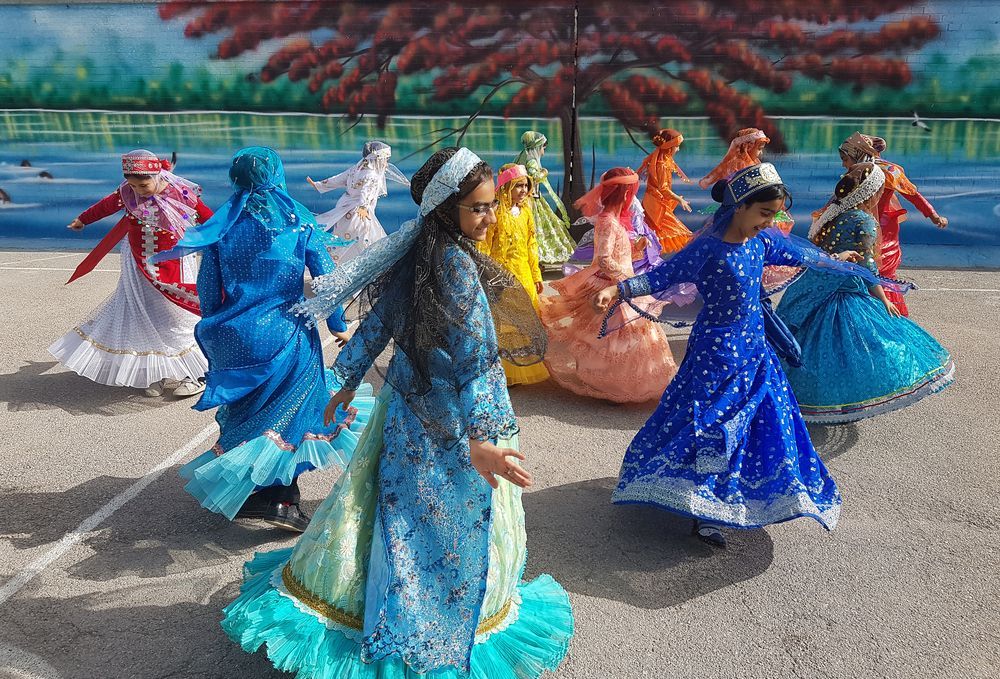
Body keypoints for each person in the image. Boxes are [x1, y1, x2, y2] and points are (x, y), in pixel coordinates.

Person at [220, 147, 573, 677]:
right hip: (443, 419)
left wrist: (344, 377)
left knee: (387, 507)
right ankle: (418, 622)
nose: (489, 217)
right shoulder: (450, 262)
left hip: (409, 407)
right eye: (478, 208)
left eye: (491, 205)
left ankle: (369, 598)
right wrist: (482, 436)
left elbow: (382, 319)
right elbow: (472, 357)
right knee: (430, 521)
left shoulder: (427, 247)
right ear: (445, 209)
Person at [593, 163, 913, 548]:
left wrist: (835, 258)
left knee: (761, 422)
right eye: (764, 213)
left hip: (754, 348)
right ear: (739, 206)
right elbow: (663, 275)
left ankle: (736, 496)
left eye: (773, 215)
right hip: (715, 353)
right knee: (710, 424)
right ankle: (701, 506)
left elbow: (800, 254)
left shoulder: (762, 242)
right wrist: (618, 291)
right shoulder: (707, 248)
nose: (768, 222)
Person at [152, 147, 374, 531]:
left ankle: (264, 490)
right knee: (290, 414)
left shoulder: (223, 229)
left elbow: (208, 293)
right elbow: (326, 283)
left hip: (235, 336)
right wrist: (338, 324)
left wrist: (223, 326)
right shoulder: (298, 225)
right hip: (286, 333)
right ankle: (283, 500)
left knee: (252, 410)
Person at [775, 161, 954, 423]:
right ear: (870, 193)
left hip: (813, 285)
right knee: (858, 346)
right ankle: (840, 400)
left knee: (808, 342)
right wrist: (883, 299)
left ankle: (797, 394)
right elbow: (867, 266)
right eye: (880, 190)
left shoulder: (832, 214)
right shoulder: (864, 221)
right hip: (844, 290)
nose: (882, 195)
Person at [50, 149, 211, 398]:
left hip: (174, 262)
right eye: (133, 185)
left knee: (177, 315)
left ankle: (194, 373)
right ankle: (155, 371)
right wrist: (83, 219)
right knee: (144, 312)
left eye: (143, 184)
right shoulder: (127, 192)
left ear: (158, 175)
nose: (138, 190)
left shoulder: (179, 193)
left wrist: (224, 238)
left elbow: (206, 217)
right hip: (138, 263)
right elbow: (105, 206)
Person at [540, 167, 677, 403]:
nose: (632, 197)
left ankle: (626, 381)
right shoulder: (606, 221)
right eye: (631, 191)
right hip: (611, 286)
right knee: (613, 335)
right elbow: (603, 259)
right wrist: (627, 281)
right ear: (624, 194)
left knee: (630, 335)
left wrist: (637, 249)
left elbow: (617, 254)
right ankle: (609, 382)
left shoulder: (614, 221)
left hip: (620, 284)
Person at [837, 131, 948, 316]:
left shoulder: (888, 171)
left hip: (884, 230)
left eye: (845, 158)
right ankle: (865, 317)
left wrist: (933, 215)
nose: (843, 164)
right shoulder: (854, 172)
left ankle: (886, 316)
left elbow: (912, 194)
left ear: (858, 153)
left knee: (881, 271)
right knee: (860, 270)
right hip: (858, 226)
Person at [478, 163, 549, 385]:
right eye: (518, 185)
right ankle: (502, 369)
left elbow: (531, 244)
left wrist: (536, 275)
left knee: (525, 319)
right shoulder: (496, 211)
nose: (523, 190)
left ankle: (523, 365)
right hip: (501, 275)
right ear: (506, 186)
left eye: (526, 186)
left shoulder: (526, 211)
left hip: (524, 274)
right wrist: (485, 274)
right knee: (504, 321)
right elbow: (485, 245)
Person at [307, 140, 409, 265]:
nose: (386, 163)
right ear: (378, 158)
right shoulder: (372, 174)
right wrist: (363, 206)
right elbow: (366, 191)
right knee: (365, 239)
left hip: (345, 209)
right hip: (359, 212)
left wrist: (319, 185)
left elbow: (339, 178)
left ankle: (332, 263)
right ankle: (368, 266)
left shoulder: (357, 168)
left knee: (342, 238)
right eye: (385, 159)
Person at [515, 130, 576, 264]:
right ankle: (536, 258)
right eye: (543, 148)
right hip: (531, 199)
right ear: (537, 147)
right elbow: (533, 177)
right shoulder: (531, 161)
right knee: (537, 227)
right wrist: (544, 172)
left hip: (529, 198)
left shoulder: (522, 158)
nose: (544, 151)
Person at [637, 128, 694, 253]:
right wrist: (679, 199)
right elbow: (663, 189)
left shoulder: (665, 159)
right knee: (676, 232)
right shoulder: (661, 164)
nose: (678, 149)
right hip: (657, 205)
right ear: (669, 148)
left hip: (656, 202)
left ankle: (653, 259)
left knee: (658, 233)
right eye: (677, 147)